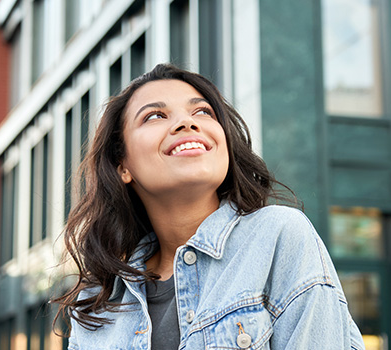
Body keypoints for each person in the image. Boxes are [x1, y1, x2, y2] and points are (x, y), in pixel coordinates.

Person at [54, 64, 365, 349]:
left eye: (202, 112)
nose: (186, 122)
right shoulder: (98, 301)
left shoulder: (278, 237)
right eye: (154, 116)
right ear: (122, 165)